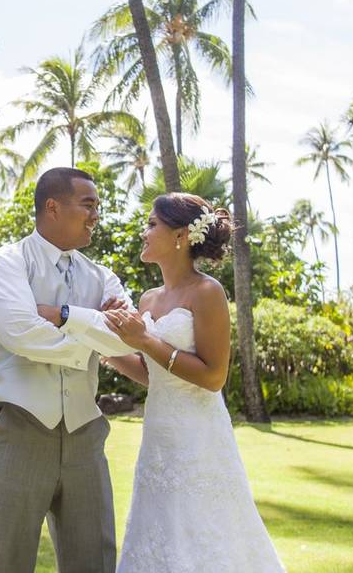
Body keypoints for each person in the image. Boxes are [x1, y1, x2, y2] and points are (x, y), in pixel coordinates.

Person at [96, 192, 286, 572]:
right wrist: (105, 344)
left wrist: (146, 339)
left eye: (152, 224)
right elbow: (152, 374)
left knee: (205, 530)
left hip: (199, 437)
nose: (144, 232)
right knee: (159, 528)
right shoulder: (148, 299)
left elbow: (214, 377)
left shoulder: (208, 292)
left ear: (181, 235)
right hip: (159, 437)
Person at [0, 167, 139, 573]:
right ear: (52, 206)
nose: (96, 215)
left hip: (86, 435)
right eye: (88, 205)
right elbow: (21, 334)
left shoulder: (103, 277)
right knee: (4, 562)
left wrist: (64, 316)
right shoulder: (6, 264)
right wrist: (94, 328)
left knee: (95, 563)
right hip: (18, 430)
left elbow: (129, 338)